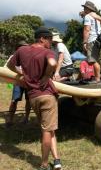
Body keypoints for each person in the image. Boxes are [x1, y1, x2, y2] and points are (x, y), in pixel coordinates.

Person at [7, 27, 62, 170]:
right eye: (49, 39)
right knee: (46, 131)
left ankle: (57, 160)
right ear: (42, 39)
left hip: (33, 97)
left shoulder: (22, 50)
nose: (51, 42)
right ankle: (44, 164)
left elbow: (10, 65)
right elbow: (52, 63)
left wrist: (21, 74)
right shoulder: (47, 52)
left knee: (49, 129)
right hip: (47, 95)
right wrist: (45, 77)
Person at [4, 41, 31, 127]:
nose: (25, 48)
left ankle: (26, 118)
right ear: (18, 48)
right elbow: (7, 67)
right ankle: (10, 120)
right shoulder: (13, 56)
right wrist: (20, 73)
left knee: (29, 100)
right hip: (18, 82)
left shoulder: (30, 56)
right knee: (14, 100)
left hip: (28, 82)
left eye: (26, 47)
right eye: (23, 47)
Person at [80, 1, 101, 85]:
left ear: (88, 9)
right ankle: (97, 78)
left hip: (92, 40)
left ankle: (97, 80)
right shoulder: (96, 17)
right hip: (98, 40)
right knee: (94, 60)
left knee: (93, 60)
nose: (84, 9)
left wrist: (85, 42)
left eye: (85, 8)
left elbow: (87, 29)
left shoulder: (88, 17)